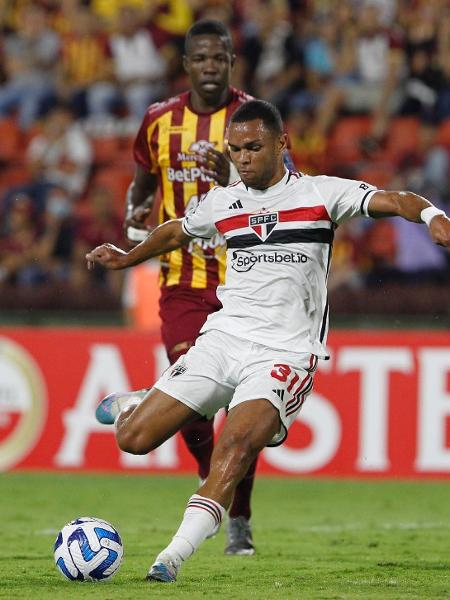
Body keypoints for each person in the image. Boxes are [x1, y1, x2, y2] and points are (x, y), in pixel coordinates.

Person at [86, 99, 450, 583]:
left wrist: (432, 217)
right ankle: (140, 403)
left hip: (284, 353)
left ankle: (170, 557)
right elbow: (178, 230)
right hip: (222, 339)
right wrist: (129, 256)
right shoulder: (224, 200)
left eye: (253, 147)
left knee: (233, 445)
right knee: (133, 440)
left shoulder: (322, 194)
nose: (243, 158)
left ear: (283, 144)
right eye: (235, 150)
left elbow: (398, 199)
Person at [104, 19, 258, 556]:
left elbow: (282, 193)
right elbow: (144, 181)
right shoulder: (157, 121)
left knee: (243, 408)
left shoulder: (252, 119)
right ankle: (222, 497)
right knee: (195, 405)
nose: (211, 67)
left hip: (245, 280)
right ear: (187, 65)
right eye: (202, 59)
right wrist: (132, 222)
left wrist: (234, 181)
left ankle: (236, 515)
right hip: (183, 280)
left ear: (232, 62)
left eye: (220, 58)